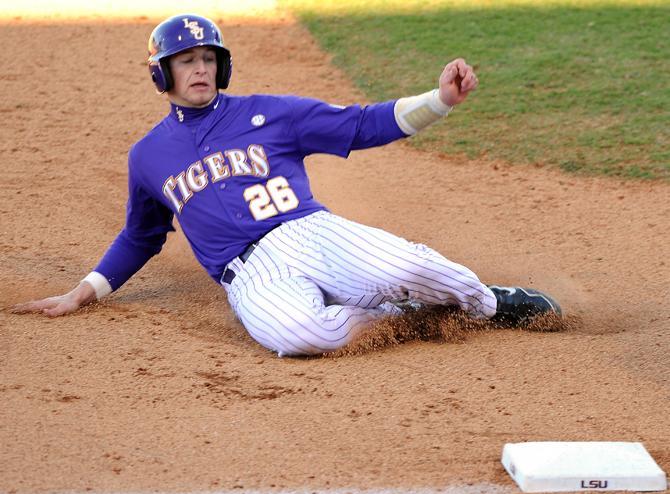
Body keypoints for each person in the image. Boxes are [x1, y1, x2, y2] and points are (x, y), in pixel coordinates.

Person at [13, 14, 561, 356]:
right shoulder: (148, 157)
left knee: (408, 267)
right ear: (162, 73)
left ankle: (488, 302)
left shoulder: (271, 113)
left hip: (311, 232)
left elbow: (360, 124)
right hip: (248, 274)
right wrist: (82, 291)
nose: (200, 68)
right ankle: (403, 316)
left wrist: (440, 101)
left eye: (209, 58)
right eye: (186, 61)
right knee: (302, 337)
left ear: (222, 66)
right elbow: (139, 237)